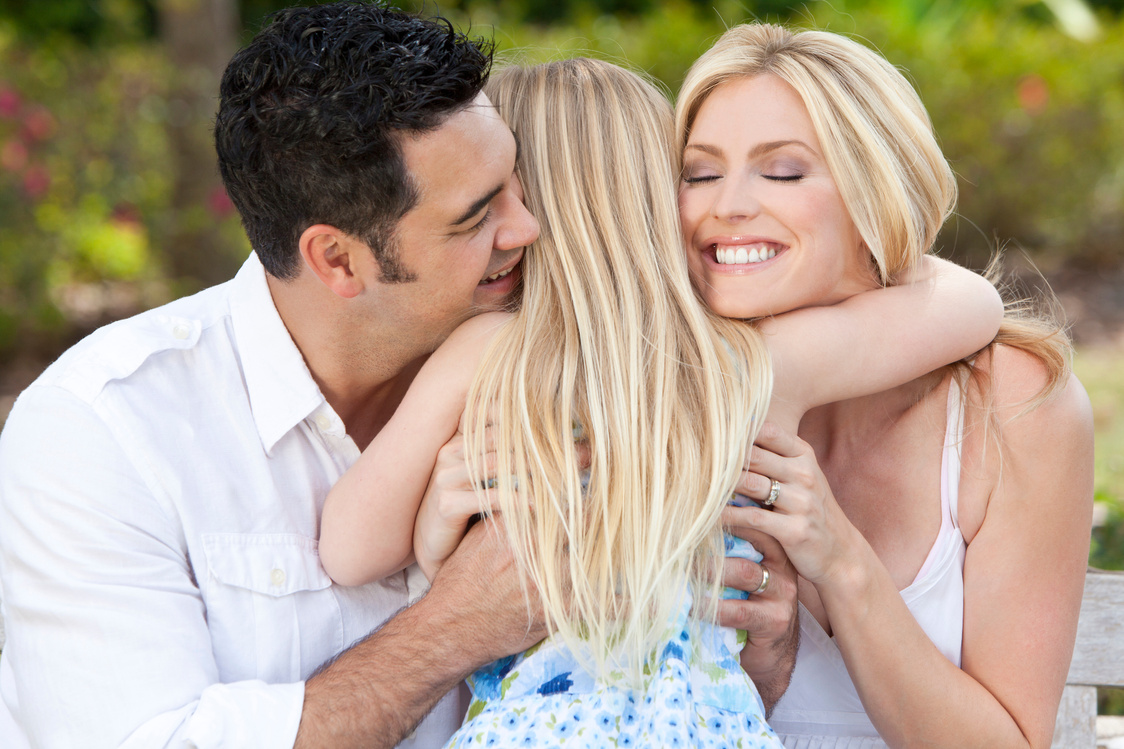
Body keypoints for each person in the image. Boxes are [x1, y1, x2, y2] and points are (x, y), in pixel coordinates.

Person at [317, 57, 1003, 747]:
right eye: (693, 176)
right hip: (708, 728)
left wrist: (436, 533)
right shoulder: (749, 362)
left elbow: (348, 549)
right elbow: (975, 303)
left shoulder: (484, 354)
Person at [0, 4, 549, 748]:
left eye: (515, 185)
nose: (526, 229)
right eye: (476, 216)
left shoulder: (536, 380)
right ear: (338, 261)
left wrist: (768, 647)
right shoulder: (101, 428)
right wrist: (453, 628)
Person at [675, 23, 1094, 747]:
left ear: (876, 192)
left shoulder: (1013, 403)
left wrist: (837, 557)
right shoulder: (656, 384)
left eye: (782, 172)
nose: (727, 207)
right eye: (700, 173)